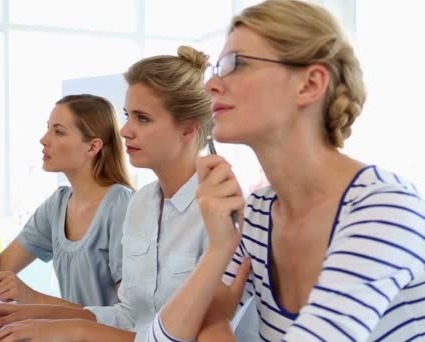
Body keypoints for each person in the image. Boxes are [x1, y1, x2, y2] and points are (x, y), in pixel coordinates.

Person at [149, 0, 425, 341]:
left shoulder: (385, 207)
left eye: (235, 64)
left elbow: (204, 321)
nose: (210, 86)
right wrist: (220, 248)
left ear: (309, 84)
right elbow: (162, 337)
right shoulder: (260, 212)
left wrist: (215, 328)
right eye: (216, 69)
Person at [0, 45, 215, 342]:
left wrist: (74, 328)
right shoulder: (143, 204)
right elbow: (128, 316)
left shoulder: (217, 215)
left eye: (142, 118)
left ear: (188, 130)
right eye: (127, 115)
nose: (123, 131)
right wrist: (33, 313)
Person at [0, 94, 134, 307]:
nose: (44, 139)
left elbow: (126, 316)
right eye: (48, 128)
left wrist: (31, 298)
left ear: (92, 147)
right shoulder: (58, 205)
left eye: (58, 131)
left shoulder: (121, 205)